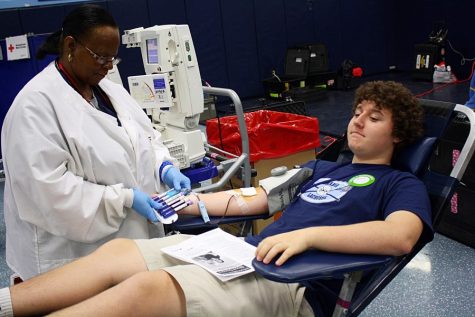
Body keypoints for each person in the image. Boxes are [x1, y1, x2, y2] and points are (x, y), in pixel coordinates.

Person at [0, 81, 433, 317]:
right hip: (244, 255)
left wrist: (308, 237)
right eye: (357, 112)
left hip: (293, 284)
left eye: (374, 118)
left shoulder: (400, 185)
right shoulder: (321, 169)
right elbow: (253, 199)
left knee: (148, 290)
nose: (358, 121)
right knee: (119, 254)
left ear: (398, 135)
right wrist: (177, 201)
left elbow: (398, 237)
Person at [0, 4, 190, 281]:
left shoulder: (110, 91)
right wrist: (123, 199)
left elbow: (145, 138)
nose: (108, 67)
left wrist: (163, 167)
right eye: (101, 57)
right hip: (70, 257)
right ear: (70, 45)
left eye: (113, 58)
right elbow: (48, 193)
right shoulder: (34, 107)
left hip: (126, 246)